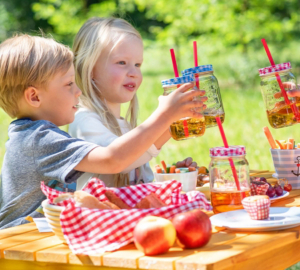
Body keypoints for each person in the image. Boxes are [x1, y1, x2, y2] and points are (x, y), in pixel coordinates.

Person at [0, 34, 205, 229]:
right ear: (34, 97)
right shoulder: (39, 139)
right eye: (69, 84)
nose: (78, 91)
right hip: (18, 244)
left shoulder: (34, 134)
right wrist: (163, 115)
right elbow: (112, 159)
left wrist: (170, 122)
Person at [69, 17, 206, 189]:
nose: (133, 72)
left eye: (137, 64)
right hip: (99, 215)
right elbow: (116, 160)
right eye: (121, 63)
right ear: (89, 69)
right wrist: (164, 115)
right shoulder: (84, 121)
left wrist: (170, 174)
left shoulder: (125, 126)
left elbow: (139, 176)